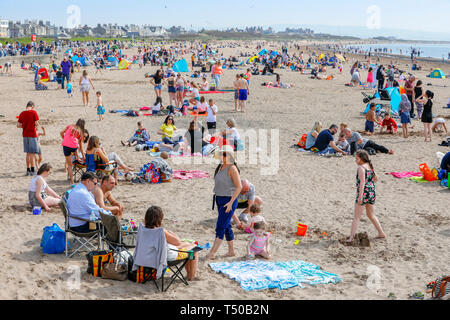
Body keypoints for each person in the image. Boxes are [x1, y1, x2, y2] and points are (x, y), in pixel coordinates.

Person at [143, 206, 199, 281]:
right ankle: (192, 276)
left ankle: (189, 273)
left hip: (151, 257)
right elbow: (177, 241)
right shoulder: (161, 231)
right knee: (194, 248)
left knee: (186, 245)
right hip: (167, 258)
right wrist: (169, 232)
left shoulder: (143, 230)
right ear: (159, 219)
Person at [207, 145, 242, 260]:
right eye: (222, 154)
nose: (222, 156)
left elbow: (239, 187)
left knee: (220, 226)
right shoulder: (220, 166)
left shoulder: (232, 168)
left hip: (228, 200)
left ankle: (212, 253)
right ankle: (231, 251)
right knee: (226, 226)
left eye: (225, 154)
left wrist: (231, 203)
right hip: (219, 199)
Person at [347, 150, 386, 243]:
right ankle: (381, 233)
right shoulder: (369, 166)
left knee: (356, 217)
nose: (355, 161)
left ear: (361, 158)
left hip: (364, 193)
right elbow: (376, 178)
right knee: (371, 215)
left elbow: (362, 182)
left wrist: (360, 196)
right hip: (371, 192)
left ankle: (351, 238)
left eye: (357, 159)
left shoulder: (361, 168)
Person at [17, 101, 40, 176]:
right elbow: (36, 123)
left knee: (27, 153)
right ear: (32, 106)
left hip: (25, 134)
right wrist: (35, 126)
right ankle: (33, 170)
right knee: (32, 153)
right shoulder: (34, 112)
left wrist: (24, 126)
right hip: (32, 134)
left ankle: (28, 170)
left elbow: (18, 125)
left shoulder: (22, 113)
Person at [61, 119, 85, 184]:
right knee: (75, 146)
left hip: (65, 146)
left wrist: (65, 139)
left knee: (69, 165)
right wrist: (83, 156)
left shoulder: (70, 126)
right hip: (74, 147)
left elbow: (61, 132)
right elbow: (81, 146)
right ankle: (77, 157)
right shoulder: (80, 132)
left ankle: (72, 182)